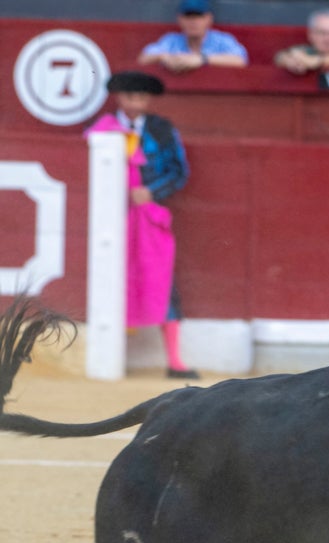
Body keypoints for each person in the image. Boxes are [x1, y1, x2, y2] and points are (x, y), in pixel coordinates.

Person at [85, 71, 199, 380]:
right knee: (111, 279)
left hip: (148, 216)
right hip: (111, 219)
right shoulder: (103, 130)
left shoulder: (162, 130)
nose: (136, 102)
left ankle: (175, 361)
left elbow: (179, 171)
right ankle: (109, 354)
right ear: (119, 98)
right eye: (131, 96)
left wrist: (152, 192)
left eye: (142, 97)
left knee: (161, 279)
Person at [137, 0, 249, 73]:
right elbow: (143, 58)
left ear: (209, 19)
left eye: (198, 16)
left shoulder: (222, 40)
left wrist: (202, 59)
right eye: (188, 17)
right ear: (179, 19)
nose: (193, 22)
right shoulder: (171, 40)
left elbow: (240, 60)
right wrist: (165, 57)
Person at [273, 8, 329, 75]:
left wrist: (312, 61)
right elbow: (280, 56)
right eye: (322, 33)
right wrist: (289, 61)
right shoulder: (306, 50)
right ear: (311, 34)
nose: (328, 39)